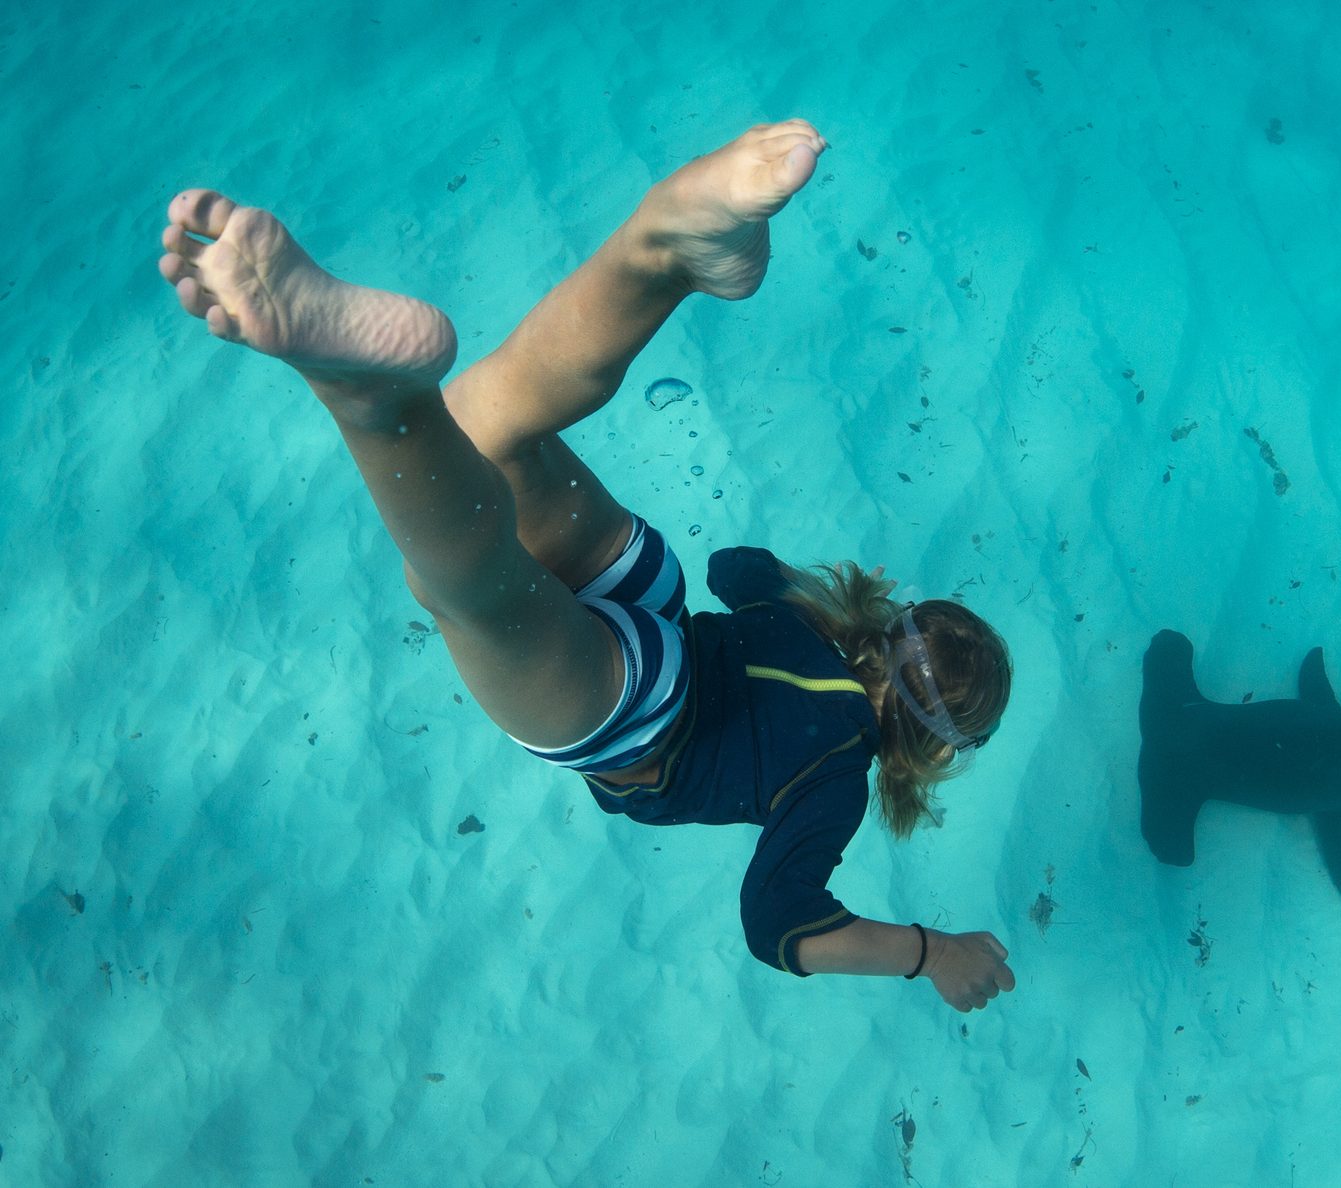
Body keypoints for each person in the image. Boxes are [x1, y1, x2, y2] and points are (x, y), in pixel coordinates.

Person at [156, 120, 1018, 1012]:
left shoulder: (804, 622)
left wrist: (819, 604)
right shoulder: (835, 776)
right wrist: (930, 952)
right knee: (466, 588)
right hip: (634, 716)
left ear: (896, 627)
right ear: (931, 752)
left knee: (499, 424)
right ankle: (366, 396)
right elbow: (779, 927)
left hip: (654, 591)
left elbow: (733, 566)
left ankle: (661, 248)